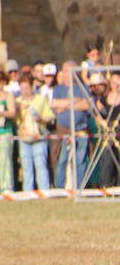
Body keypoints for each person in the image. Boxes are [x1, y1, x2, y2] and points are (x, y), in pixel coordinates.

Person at [51, 62, 91, 190]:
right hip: (63, 129)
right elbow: (54, 105)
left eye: (71, 70)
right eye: (66, 71)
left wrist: (65, 106)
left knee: (80, 160)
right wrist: (74, 101)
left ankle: (80, 187)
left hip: (80, 129)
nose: (68, 74)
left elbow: (86, 105)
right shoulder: (58, 89)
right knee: (62, 159)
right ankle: (59, 187)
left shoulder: (83, 87)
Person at [14, 74, 53, 192]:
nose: (24, 91)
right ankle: (28, 191)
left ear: (32, 87)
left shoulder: (41, 99)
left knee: (40, 165)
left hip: (38, 137)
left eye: (27, 88)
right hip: (24, 138)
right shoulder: (17, 101)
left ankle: (44, 190)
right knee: (26, 166)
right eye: (22, 88)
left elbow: (49, 116)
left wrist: (40, 119)